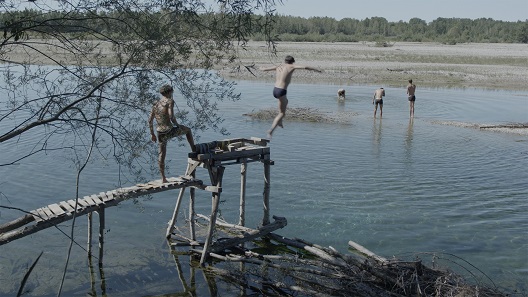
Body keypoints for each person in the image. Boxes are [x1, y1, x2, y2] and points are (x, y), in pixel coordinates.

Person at [260, 55, 322, 138]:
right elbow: (305, 67)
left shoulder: (279, 66)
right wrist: (317, 70)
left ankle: (280, 122)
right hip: (282, 90)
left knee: (285, 102)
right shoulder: (292, 66)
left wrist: (261, 68)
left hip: (275, 90)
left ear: (285, 61)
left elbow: (264, 69)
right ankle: (271, 130)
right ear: (293, 61)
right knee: (282, 113)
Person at [148, 84, 196, 183]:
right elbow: (171, 117)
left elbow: (150, 120)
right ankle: (194, 150)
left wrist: (152, 134)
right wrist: (178, 126)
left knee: (161, 154)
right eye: (172, 92)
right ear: (169, 92)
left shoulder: (155, 103)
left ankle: (163, 178)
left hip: (159, 132)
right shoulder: (169, 101)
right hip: (169, 130)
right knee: (188, 130)